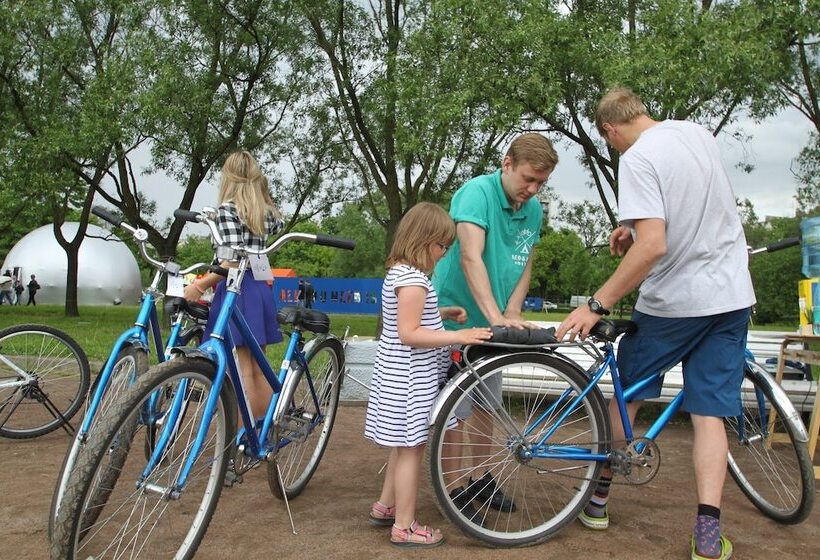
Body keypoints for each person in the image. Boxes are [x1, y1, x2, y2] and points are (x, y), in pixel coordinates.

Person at [556, 87, 754, 560]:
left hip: (675, 304)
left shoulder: (636, 159)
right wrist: (635, 226)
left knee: (630, 396)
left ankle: (597, 499)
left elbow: (654, 247)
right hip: (729, 297)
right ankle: (707, 530)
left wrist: (596, 305)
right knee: (710, 414)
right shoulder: (697, 133)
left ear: (610, 130)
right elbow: (694, 208)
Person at [431, 133, 558, 519]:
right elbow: (470, 257)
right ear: (506, 164)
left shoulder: (532, 208)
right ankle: (454, 488)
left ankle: (481, 477)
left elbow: (524, 261)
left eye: (541, 183)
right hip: (458, 317)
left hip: (494, 320)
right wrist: (494, 315)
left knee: (488, 402)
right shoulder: (476, 194)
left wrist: (513, 312)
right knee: (457, 409)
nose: (533, 189)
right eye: (527, 179)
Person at [364, 202, 493, 549]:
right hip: (410, 383)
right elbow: (409, 332)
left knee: (401, 448)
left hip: (398, 379)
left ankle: (386, 505)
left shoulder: (401, 274)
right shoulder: (414, 279)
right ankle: (404, 526)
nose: (443, 253)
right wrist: (458, 335)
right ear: (422, 240)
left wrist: (443, 311)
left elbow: (410, 314)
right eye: (441, 246)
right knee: (412, 451)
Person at [183, 150, 284, 420]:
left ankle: (241, 433)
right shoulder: (264, 213)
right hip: (260, 286)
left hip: (235, 289)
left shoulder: (226, 212)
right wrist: (261, 190)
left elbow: (230, 261)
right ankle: (263, 431)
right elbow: (277, 225)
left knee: (239, 369)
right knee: (258, 365)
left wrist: (200, 285)